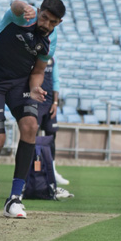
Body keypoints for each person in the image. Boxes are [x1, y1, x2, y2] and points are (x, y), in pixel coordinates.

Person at [0, 0, 65, 218]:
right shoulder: (23, 15)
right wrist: (24, 7)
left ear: (58, 23)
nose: (45, 24)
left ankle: (14, 199)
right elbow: (15, 5)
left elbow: (38, 71)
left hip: (20, 83)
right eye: (44, 17)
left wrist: (35, 88)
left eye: (52, 22)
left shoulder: (50, 40)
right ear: (39, 11)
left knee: (30, 126)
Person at [38, 57, 70, 186]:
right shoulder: (34, 56)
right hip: (35, 102)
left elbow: (56, 81)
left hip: (50, 103)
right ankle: (31, 171)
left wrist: (55, 102)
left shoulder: (52, 60)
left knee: (51, 136)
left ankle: (52, 171)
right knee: (31, 138)